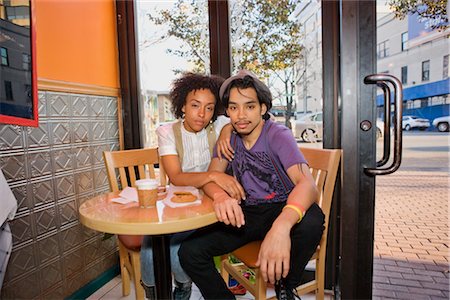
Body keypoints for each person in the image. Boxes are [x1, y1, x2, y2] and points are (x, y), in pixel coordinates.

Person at [179, 70, 325, 300]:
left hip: (283, 205)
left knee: (312, 220)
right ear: (227, 112)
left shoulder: (278, 134)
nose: (241, 115)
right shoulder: (229, 140)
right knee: (189, 251)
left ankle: (286, 287)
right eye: (234, 107)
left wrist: (281, 226)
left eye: (249, 106)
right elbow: (210, 177)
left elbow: (308, 184)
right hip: (249, 211)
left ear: (263, 108)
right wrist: (221, 196)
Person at [140, 73, 245, 300]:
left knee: (176, 245)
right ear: (182, 106)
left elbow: (232, 122)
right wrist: (215, 176)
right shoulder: (167, 132)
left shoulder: (219, 126)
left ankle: (183, 288)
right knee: (150, 244)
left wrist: (227, 130)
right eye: (195, 105)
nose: (202, 114)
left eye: (209, 108)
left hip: (209, 204)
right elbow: (176, 177)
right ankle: (154, 292)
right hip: (177, 201)